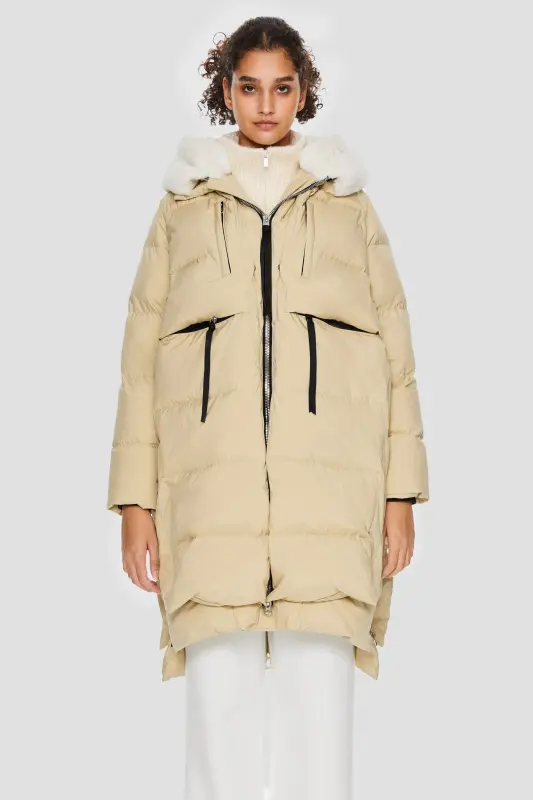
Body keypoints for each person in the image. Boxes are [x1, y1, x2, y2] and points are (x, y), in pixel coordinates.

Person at [107, 15, 430, 800]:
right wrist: (134, 503)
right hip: (209, 497)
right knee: (217, 721)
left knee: (319, 721)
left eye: (281, 88)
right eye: (248, 88)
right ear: (225, 92)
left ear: (303, 92)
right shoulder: (183, 208)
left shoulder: (347, 206)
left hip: (331, 497)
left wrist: (399, 494)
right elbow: (141, 366)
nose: (264, 105)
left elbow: (395, 360)